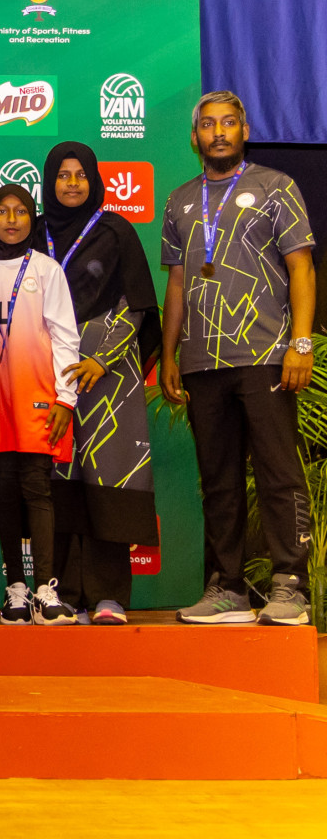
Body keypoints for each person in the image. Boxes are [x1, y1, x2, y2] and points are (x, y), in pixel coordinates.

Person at [161, 92, 316, 626]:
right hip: (203, 362)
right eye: (208, 125)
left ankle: (290, 585)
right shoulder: (180, 200)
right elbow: (177, 283)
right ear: (195, 137)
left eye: (229, 123)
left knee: (277, 473)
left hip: (267, 354)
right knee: (219, 479)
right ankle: (228, 589)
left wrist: (301, 343)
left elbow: (301, 268)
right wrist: (169, 354)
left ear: (244, 130)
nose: (219, 132)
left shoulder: (277, 187)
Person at [36, 142, 161, 626]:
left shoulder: (115, 230)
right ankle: (64, 593)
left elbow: (137, 305)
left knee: (109, 478)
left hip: (109, 378)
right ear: (49, 182)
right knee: (59, 478)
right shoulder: (36, 232)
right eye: (62, 175)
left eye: (80, 175)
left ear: (94, 180)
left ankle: (109, 596)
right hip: (50, 372)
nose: (71, 183)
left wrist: (101, 358)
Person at [0, 185, 78, 625]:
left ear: (32, 219)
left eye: (21, 211)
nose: (12, 219)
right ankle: (15, 590)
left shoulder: (46, 269)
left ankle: (45, 589)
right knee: (5, 490)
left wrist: (65, 398)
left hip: (38, 396)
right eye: (2, 211)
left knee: (38, 489)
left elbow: (65, 335)